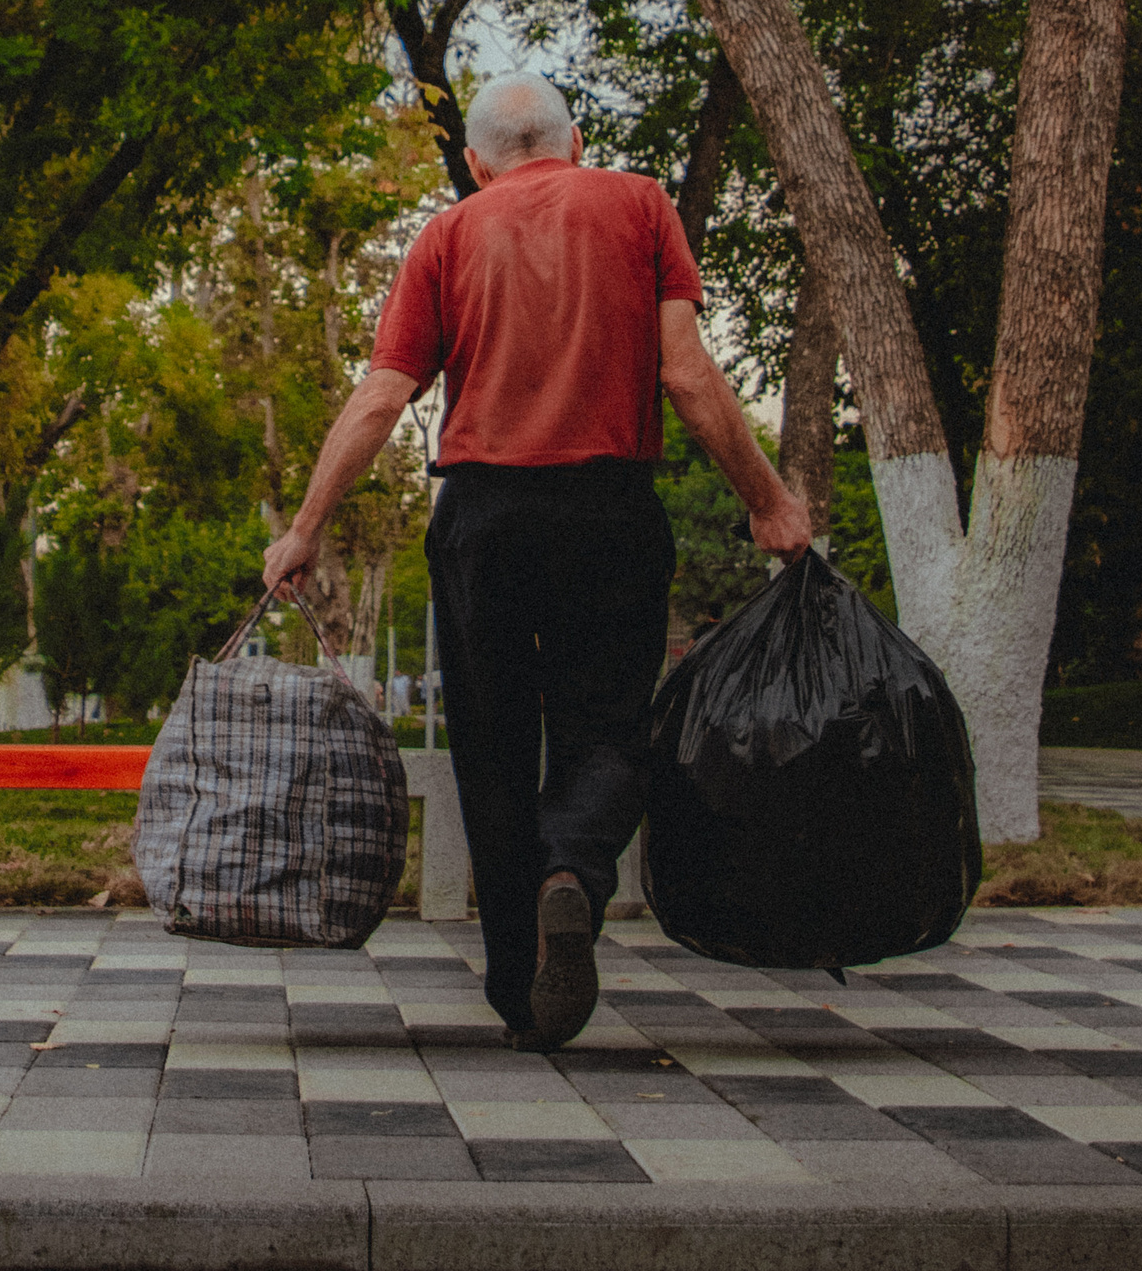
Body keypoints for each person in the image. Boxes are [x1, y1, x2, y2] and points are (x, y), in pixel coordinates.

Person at [260, 69, 813, 1048]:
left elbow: (381, 398)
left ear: (476, 161)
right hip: (609, 508)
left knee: (493, 751)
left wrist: (304, 527)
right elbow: (686, 374)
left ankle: (520, 989)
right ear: (575, 141)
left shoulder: (448, 233)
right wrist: (767, 502)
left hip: (483, 517)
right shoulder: (640, 204)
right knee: (609, 732)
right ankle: (572, 872)